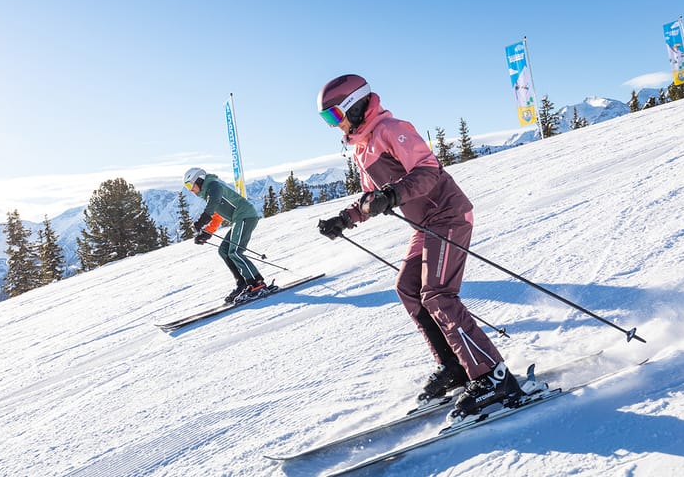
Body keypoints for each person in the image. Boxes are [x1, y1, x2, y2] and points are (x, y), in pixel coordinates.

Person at [314, 74, 530, 420]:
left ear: (354, 105)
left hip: (447, 214)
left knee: (438, 295)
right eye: (327, 118)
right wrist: (344, 219)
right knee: (407, 288)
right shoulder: (363, 147)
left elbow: (428, 171)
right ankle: (455, 366)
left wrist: (393, 194)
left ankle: (493, 376)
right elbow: (372, 198)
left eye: (334, 115)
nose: (333, 124)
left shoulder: (391, 129)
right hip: (425, 224)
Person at [183, 167, 269, 303]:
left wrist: (202, 221)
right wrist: (207, 233)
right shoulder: (209, 192)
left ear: (199, 180)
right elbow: (217, 215)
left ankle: (256, 283)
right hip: (239, 219)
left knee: (235, 252)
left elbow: (213, 203)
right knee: (224, 250)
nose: (190, 190)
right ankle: (242, 284)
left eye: (190, 185)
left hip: (245, 216)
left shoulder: (213, 186)